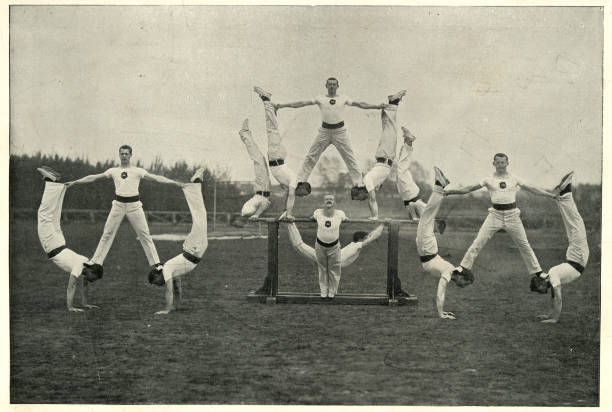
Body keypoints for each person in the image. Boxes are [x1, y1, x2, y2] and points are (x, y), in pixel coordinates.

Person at [66, 145, 185, 274]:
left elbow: (156, 178)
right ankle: (95, 261)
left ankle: (157, 264)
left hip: (134, 206)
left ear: (130, 155)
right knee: (107, 233)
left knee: (144, 234)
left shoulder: (137, 171)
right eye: (122, 154)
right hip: (118, 205)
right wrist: (74, 182)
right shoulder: (113, 171)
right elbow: (93, 177)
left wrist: (175, 183)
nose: (124, 156)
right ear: (119, 155)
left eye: (126, 154)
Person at [274, 77, 388, 200]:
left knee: (350, 158)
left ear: (338, 86)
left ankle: (359, 185)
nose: (332, 86)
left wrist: (377, 106)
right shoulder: (320, 98)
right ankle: (300, 182)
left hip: (340, 132)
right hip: (324, 132)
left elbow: (360, 104)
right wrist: (282, 105)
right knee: (311, 156)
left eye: (334, 84)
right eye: (330, 84)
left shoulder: (343, 98)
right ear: (326, 86)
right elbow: (301, 103)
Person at [444, 153, 553, 280]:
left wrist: (551, 195)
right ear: (494, 164)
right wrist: (450, 192)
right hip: (495, 216)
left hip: (512, 216)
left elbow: (533, 189)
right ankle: (463, 268)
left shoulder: (514, 178)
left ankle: (538, 272)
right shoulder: (488, 179)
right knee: (478, 242)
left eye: (503, 162)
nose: (500, 165)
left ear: (507, 163)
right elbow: (468, 189)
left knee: (524, 245)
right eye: (498, 162)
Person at [36, 166, 103, 312]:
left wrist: (85, 304)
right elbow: (71, 286)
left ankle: (59, 187)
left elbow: (84, 286)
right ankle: (50, 181)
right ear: (91, 271)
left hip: (60, 242)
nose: (92, 280)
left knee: (54, 215)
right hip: (52, 245)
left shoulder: (87, 263)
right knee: (44, 215)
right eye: (93, 278)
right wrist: (70, 307)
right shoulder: (80, 266)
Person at [529, 172, 588, 323]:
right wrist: (549, 315)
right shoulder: (551, 276)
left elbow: (558, 298)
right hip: (576, 256)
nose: (541, 292)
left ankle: (565, 194)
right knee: (573, 222)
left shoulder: (553, 275)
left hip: (578, 255)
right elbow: (554, 297)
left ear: (542, 282)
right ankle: (564, 193)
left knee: (575, 222)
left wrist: (554, 319)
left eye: (539, 289)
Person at [148, 169, 208, 315]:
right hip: (197, 250)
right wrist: (177, 306)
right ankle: (195, 184)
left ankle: (193, 185)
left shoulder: (167, 269)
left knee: (200, 216)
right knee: (200, 216)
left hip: (193, 248)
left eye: (156, 282)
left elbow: (169, 291)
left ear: (158, 275)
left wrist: (167, 309)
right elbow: (177, 288)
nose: (158, 285)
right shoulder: (172, 271)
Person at [416, 167, 474, 319]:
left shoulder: (451, 270)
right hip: (427, 249)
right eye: (465, 283)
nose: (463, 286)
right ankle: (439, 186)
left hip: (428, 249)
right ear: (461, 277)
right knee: (428, 215)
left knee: (428, 213)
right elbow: (440, 292)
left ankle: (437, 187)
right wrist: (441, 313)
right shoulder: (448, 272)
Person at [252, 86, 298, 220]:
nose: (297, 194)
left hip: (276, 157)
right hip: (276, 156)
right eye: (301, 193)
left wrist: (286, 212)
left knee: (273, 130)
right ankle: (267, 100)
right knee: (272, 129)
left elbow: (287, 196)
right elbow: (291, 196)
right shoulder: (294, 181)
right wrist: (289, 213)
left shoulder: (288, 184)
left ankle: (272, 109)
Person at [363, 89, 407, 220]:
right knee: (388, 128)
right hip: (384, 158)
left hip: (385, 157)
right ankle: (393, 103)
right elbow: (372, 196)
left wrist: (374, 216)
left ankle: (393, 103)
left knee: (389, 129)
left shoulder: (368, 181)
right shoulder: (370, 182)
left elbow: (372, 199)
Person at [286, 220, 384, 267]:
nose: (367, 239)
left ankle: (289, 222)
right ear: (360, 239)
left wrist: (382, 225)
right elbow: (373, 237)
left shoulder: (355, 245)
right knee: (299, 246)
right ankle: (289, 222)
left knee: (299, 246)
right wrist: (383, 224)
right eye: (365, 238)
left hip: (328, 261)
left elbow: (371, 235)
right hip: (328, 260)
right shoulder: (356, 245)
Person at [311, 194, 347, 298]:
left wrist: (345, 219)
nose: (329, 201)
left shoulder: (340, 213)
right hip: (320, 245)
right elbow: (312, 217)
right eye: (327, 199)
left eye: (331, 199)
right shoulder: (317, 212)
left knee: (334, 269)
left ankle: (332, 291)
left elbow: (345, 218)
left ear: (334, 202)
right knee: (322, 269)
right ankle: (323, 291)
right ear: (323, 201)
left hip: (334, 246)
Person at [238, 119, 272, 220]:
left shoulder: (251, 206)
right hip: (264, 187)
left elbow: (245, 213)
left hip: (261, 186)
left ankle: (245, 134)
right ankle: (245, 134)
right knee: (260, 158)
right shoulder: (260, 203)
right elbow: (266, 203)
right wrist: (257, 214)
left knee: (258, 158)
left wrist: (256, 214)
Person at [396, 127, 427, 221]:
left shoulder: (416, 205)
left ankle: (408, 140)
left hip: (409, 195)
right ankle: (408, 140)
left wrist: (414, 217)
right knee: (401, 168)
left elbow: (410, 205)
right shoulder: (419, 205)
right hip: (411, 194)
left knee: (401, 168)